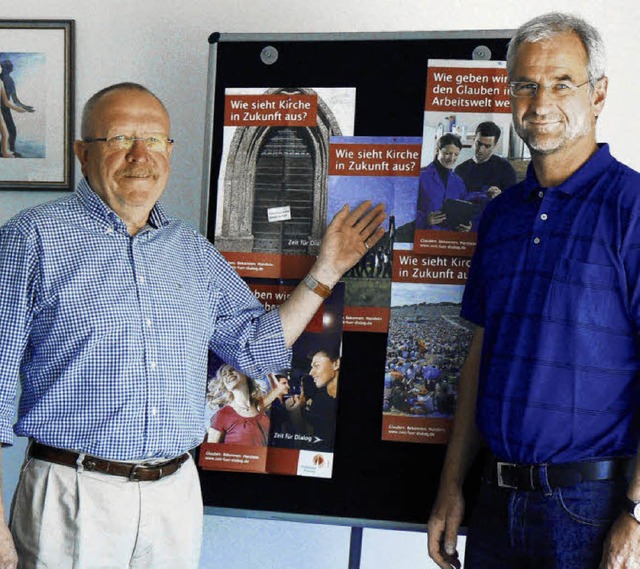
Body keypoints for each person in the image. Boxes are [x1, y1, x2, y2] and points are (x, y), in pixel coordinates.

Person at [0, 82, 386, 568]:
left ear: (170, 151)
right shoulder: (30, 239)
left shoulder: (192, 252)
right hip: (73, 495)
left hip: (175, 497)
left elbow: (256, 349)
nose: (140, 154)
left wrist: (326, 269)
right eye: (119, 138)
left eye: (155, 140)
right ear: (83, 153)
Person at [427, 12, 640, 569]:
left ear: (598, 95)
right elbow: (482, 351)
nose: (540, 101)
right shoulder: (500, 216)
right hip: (497, 502)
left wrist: (638, 515)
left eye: (562, 83)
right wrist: (452, 486)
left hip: (591, 508)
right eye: (525, 84)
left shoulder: (633, 209)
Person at [206, 364, 288, 446]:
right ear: (224, 384)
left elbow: (278, 387)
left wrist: (266, 366)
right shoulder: (223, 414)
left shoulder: (259, 405)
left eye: (232, 370)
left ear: (245, 374)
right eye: (224, 374)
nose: (228, 374)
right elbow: (210, 451)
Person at [453, 121, 516, 217]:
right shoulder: (460, 170)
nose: (481, 150)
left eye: (487, 146)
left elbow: (514, 203)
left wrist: (501, 196)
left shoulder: (505, 168)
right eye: (479, 144)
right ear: (474, 140)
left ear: (495, 146)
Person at [415, 133, 470, 232]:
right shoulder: (420, 177)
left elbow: (464, 211)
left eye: (456, 154)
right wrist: (424, 220)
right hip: (426, 239)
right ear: (437, 150)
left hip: (449, 240)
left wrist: (466, 226)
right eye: (447, 153)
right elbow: (403, 211)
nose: (451, 158)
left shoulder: (459, 182)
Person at [298, 349, 340, 451]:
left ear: (336, 364)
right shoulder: (318, 400)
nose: (311, 372)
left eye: (317, 366)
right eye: (312, 367)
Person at [0, 60, 35, 158]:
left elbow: (15, 100)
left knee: (11, 131)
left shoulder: (10, 81)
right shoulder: (3, 80)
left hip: (5, 110)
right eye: (8, 67)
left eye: (9, 67)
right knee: (7, 132)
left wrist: (24, 107)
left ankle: (10, 150)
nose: (10, 69)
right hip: (3, 109)